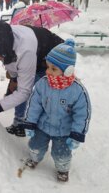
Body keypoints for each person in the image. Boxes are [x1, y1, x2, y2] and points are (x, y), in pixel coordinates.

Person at [16, 39, 91, 182]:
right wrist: (30, 123)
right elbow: (34, 105)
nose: (48, 71)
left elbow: (82, 114)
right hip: (43, 127)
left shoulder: (77, 91)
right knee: (35, 145)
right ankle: (34, 158)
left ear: (68, 70)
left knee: (61, 153)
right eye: (48, 66)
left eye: (54, 69)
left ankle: (63, 169)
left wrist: (77, 134)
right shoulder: (42, 84)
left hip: (64, 132)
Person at [0, 20, 63, 133]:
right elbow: (9, 60)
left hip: (51, 57)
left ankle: (46, 127)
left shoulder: (25, 51)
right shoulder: (3, 38)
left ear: (2, 50)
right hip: (34, 51)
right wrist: (14, 79)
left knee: (41, 93)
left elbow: (24, 91)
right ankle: (20, 122)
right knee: (18, 87)